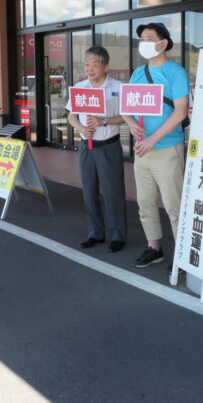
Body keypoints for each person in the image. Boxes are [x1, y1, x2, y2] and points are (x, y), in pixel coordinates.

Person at [122, 22, 189, 268]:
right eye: (141, 39)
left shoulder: (176, 72)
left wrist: (153, 138)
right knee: (145, 203)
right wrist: (130, 123)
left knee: (174, 205)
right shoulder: (138, 73)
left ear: (163, 43)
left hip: (167, 149)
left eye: (149, 38)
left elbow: (180, 112)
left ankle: (183, 255)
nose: (144, 43)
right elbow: (127, 108)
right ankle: (154, 248)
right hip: (143, 150)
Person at [66, 46, 127, 252]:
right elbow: (71, 115)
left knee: (113, 192)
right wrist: (82, 128)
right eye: (86, 64)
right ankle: (95, 233)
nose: (90, 69)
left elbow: (127, 117)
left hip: (109, 146)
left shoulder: (118, 87)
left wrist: (104, 121)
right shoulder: (80, 87)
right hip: (86, 146)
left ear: (105, 66)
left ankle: (118, 235)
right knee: (89, 191)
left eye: (95, 64)